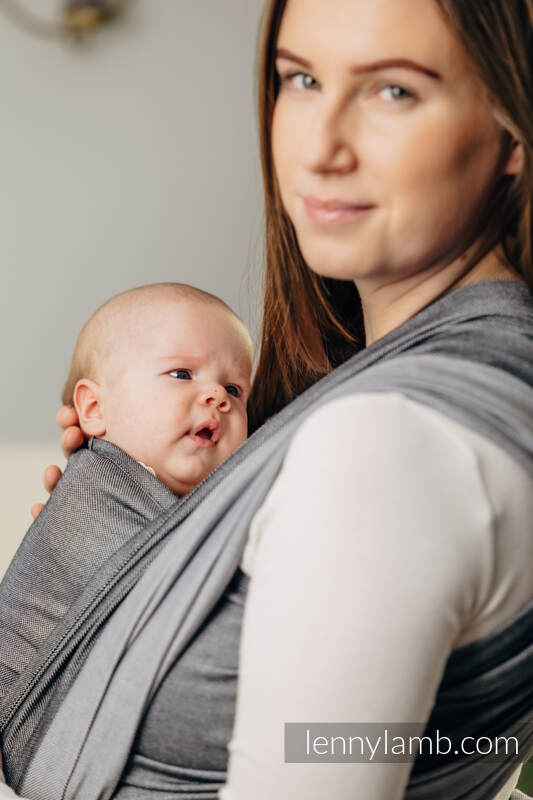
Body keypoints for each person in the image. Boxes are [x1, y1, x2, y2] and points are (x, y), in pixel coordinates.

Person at [1, 1, 532, 799]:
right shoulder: (462, 376)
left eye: (394, 91)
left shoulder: (382, 446)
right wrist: (142, 553)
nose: (318, 149)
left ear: (513, 128)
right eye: (302, 78)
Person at [0, 282, 252, 698]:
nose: (216, 397)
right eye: (182, 374)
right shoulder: (94, 497)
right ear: (96, 409)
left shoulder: (184, 502)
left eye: (234, 389)